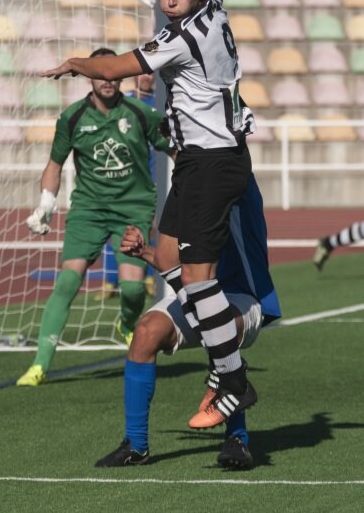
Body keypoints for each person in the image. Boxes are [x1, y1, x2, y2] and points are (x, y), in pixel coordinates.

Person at [43, 0, 257, 427]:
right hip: (195, 166)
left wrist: (75, 62)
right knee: (167, 257)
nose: (168, 1)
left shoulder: (182, 36)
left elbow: (114, 68)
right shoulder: (211, 0)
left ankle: (231, 377)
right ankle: (223, 367)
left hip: (214, 163)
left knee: (200, 277)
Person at [95, 173, 281, 469]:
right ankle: (136, 445)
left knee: (213, 320)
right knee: (145, 332)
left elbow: (203, 266)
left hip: (244, 299)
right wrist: (143, 251)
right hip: (198, 293)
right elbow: (176, 264)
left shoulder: (231, 174)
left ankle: (237, 438)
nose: (172, 141)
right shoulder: (185, 182)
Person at [17, 47, 172, 387]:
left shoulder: (139, 112)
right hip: (88, 209)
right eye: (101, 74)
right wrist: (45, 204)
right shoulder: (72, 117)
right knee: (68, 281)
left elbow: (171, 144)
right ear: (89, 77)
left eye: (113, 74)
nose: (108, 80)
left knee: (133, 290)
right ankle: (39, 365)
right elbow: (54, 164)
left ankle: (128, 325)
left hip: (132, 209)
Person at [96, 72, 158, 301]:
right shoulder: (122, 103)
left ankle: (151, 277)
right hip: (121, 178)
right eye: (142, 73)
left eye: (150, 74)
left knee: (150, 228)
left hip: (151, 179)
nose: (146, 78)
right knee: (113, 228)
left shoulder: (160, 104)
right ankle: (110, 281)